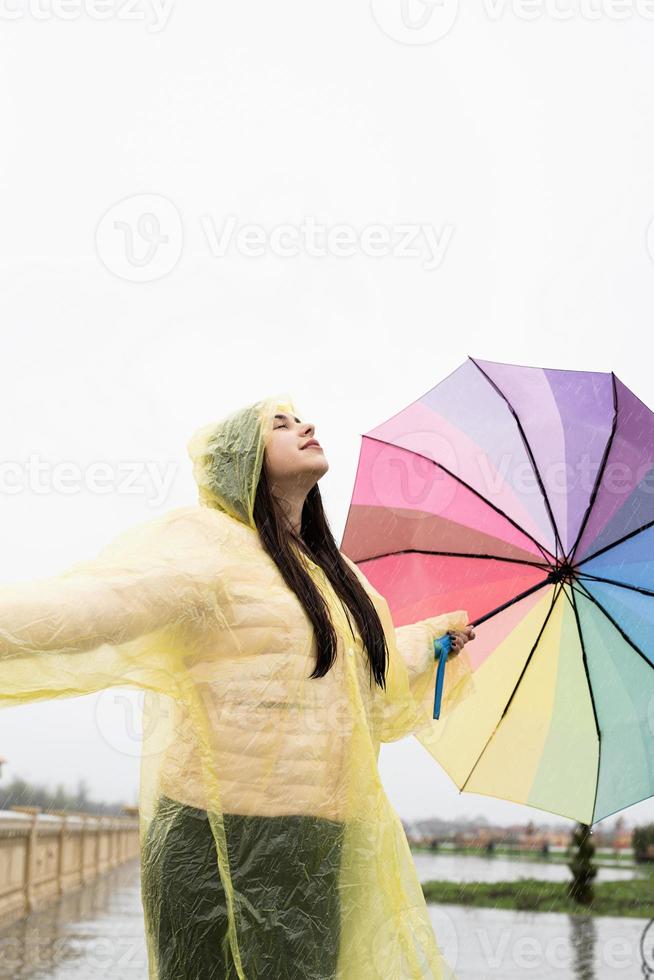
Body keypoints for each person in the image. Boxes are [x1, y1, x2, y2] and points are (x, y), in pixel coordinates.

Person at [0, 393, 476, 979]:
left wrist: (431, 639)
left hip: (316, 844)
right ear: (240, 460)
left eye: (299, 418)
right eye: (281, 424)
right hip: (210, 833)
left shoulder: (336, 575)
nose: (307, 425)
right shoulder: (209, 545)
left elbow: (361, 679)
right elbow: (93, 609)